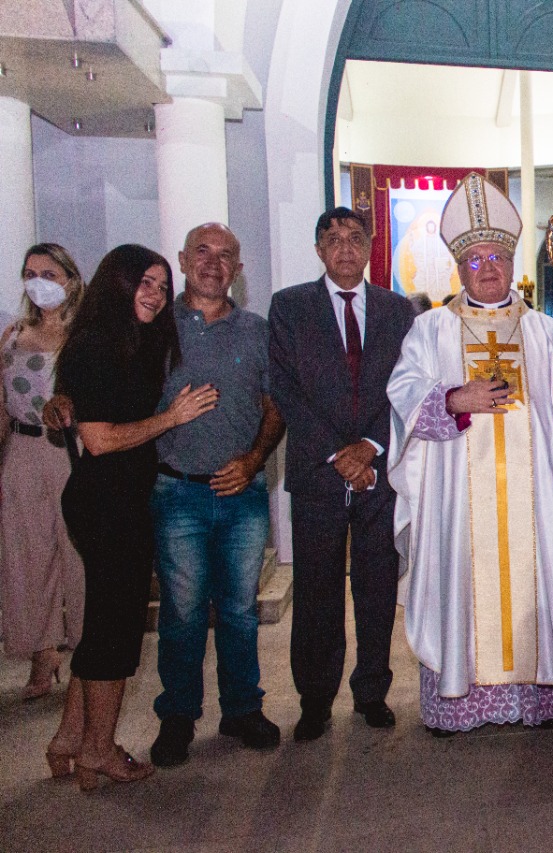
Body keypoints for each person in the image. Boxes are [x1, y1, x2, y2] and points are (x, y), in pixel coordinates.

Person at [386, 171, 553, 733]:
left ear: (511, 262)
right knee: (464, 586)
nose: (487, 268)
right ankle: (459, 706)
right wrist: (455, 396)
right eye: (474, 260)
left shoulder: (548, 330)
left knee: (537, 576)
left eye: (496, 256)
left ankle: (537, 704)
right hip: (459, 496)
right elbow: (404, 394)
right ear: (458, 267)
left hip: (535, 496)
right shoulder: (429, 330)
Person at [45, 244, 216, 790]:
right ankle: (98, 749)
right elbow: (98, 439)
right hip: (105, 499)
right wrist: (172, 418)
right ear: (116, 282)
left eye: (162, 287)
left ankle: (69, 739)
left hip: (122, 497)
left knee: (103, 623)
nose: (155, 295)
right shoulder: (94, 345)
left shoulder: (133, 341)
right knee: (115, 634)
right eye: (145, 282)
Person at [268, 208, 415, 742]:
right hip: (317, 471)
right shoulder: (289, 308)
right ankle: (314, 699)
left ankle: (372, 691)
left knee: (376, 587)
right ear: (318, 250)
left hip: (379, 471)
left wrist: (371, 448)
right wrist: (340, 454)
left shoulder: (400, 311)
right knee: (316, 590)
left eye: (355, 238)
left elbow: (407, 385)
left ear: (371, 246)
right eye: (333, 239)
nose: (345, 248)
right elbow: (284, 388)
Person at [141, 223, 285, 765]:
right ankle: (177, 715)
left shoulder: (257, 330)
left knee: (240, 610)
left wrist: (252, 461)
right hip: (176, 490)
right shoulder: (157, 326)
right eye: (202, 251)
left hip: (242, 494)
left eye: (226, 255)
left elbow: (275, 406)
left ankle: (242, 708)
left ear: (239, 270)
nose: (213, 262)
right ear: (182, 259)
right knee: (181, 612)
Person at [1, 244, 84, 701]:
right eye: (30, 272)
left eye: (48, 273)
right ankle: (42, 651)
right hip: (23, 449)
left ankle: (88, 656)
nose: (38, 281)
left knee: (78, 553)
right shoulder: (13, 334)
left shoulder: (86, 335)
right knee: (28, 555)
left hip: (73, 452)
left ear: (69, 279)